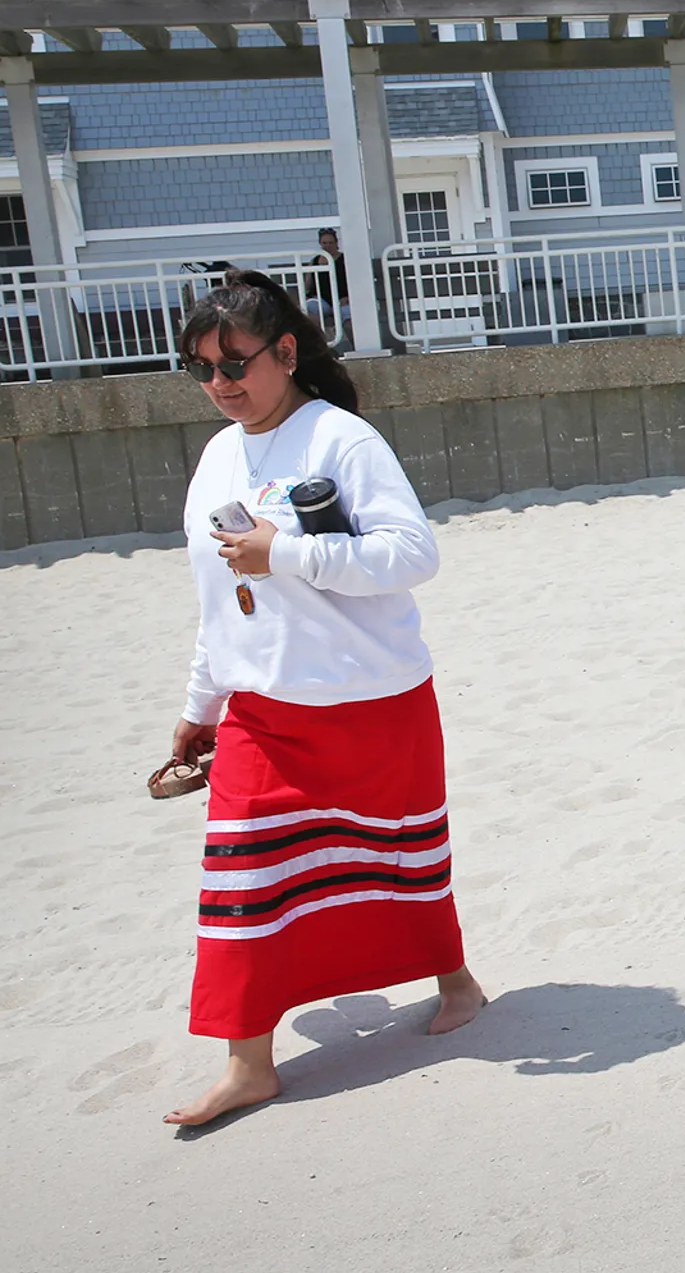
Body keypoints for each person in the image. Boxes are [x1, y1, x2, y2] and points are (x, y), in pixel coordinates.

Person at [160, 273, 484, 1126]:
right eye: (201, 369)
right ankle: (248, 1063)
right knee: (243, 884)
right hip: (263, 712)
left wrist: (287, 553)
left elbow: (412, 555)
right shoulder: (216, 457)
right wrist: (201, 703)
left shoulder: (340, 439)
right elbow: (213, 598)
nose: (221, 382)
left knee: (405, 865)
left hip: (373, 701)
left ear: (287, 353)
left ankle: (456, 981)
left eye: (235, 361)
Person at [302, 226, 351, 336]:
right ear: (320, 243)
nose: (327, 246)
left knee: (348, 315)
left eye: (330, 243)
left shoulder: (345, 259)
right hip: (321, 300)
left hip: (342, 299)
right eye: (324, 243)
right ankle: (323, 342)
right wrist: (309, 296)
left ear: (336, 243)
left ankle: (353, 346)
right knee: (307, 310)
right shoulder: (314, 261)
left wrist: (349, 297)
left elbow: (354, 281)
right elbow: (307, 285)